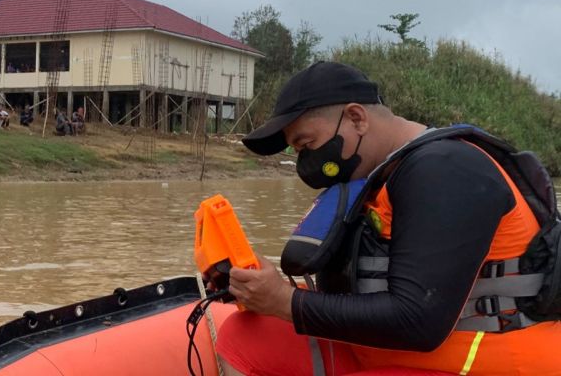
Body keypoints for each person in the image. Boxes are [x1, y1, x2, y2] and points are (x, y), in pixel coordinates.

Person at [216, 62, 561, 375]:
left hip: (482, 363)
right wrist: (264, 290)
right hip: (389, 352)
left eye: (308, 144)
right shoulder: (378, 176)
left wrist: (285, 302)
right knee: (242, 338)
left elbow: (418, 320)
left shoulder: (445, 170)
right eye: (299, 151)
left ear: (356, 118)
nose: (307, 162)